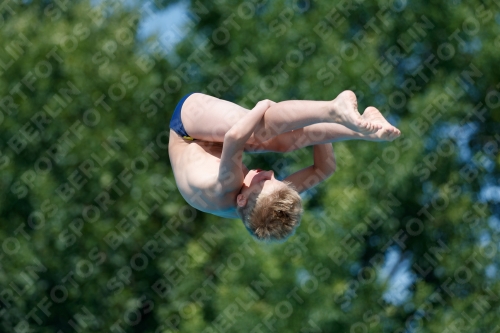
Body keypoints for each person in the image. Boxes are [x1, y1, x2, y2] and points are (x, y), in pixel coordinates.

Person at [168, 91, 401, 241]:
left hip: (186, 129)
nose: (268, 173)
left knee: (260, 130)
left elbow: (234, 136)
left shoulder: (224, 188)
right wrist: (318, 134)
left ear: (241, 199)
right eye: (274, 178)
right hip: (214, 142)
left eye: (263, 180)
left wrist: (263, 105)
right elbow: (323, 168)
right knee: (282, 143)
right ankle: (368, 131)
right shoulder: (261, 205)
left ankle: (334, 109)